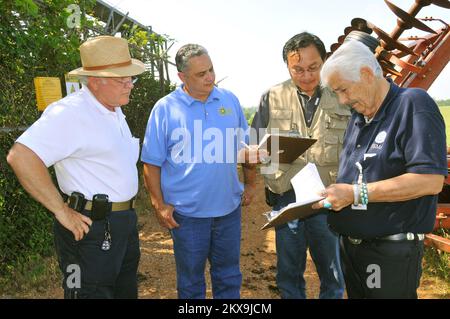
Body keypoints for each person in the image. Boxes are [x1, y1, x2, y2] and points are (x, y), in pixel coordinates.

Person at [6, 36, 145, 299]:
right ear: (95, 80)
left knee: (124, 291)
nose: (129, 84)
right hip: (88, 229)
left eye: (131, 78)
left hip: (122, 223)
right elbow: (20, 156)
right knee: (86, 293)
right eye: (121, 79)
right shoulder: (70, 113)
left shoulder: (113, 110)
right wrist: (61, 209)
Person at [315, 39, 447, 299]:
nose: (342, 100)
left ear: (366, 74)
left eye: (343, 89)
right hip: (353, 250)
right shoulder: (359, 117)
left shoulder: (412, 104)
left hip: (389, 253)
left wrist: (355, 193)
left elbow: (430, 181)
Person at [141, 44, 256, 299]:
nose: (210, 78)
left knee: (229, 277)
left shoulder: (229, 100)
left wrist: (250, 184)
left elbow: (246, 149)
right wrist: (159, 205)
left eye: (211, 70)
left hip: (228, 211)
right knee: (191, 282)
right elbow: (151, 163)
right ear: (182, 77)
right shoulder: (165, 109)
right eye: (201, 74)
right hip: (187, 215)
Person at [251, 32, 346, 299]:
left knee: (333, 274)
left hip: (328, 200)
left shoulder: (342, 94)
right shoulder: (271, 96)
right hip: (286, 201)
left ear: (325, 61)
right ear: (287, 66)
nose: (306, 76)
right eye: (298, 69)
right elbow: (254, 142)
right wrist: (256, 156)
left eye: (313, 68)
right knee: (289, 274)